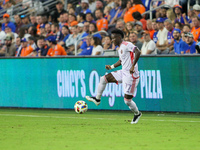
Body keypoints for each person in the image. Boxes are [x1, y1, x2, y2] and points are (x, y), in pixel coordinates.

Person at [85, 29, 142, 124]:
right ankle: (97, 99)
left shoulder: (127, 45)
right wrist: (111, 67)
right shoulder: (120, 48)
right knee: (103, 79)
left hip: (131, 75)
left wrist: (132, 66)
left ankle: (137, 113)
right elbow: (121, 61)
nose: (112, 41)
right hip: (123, 72)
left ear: (119, 37)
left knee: (127, 101)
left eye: (113, 38)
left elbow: (138, 52)